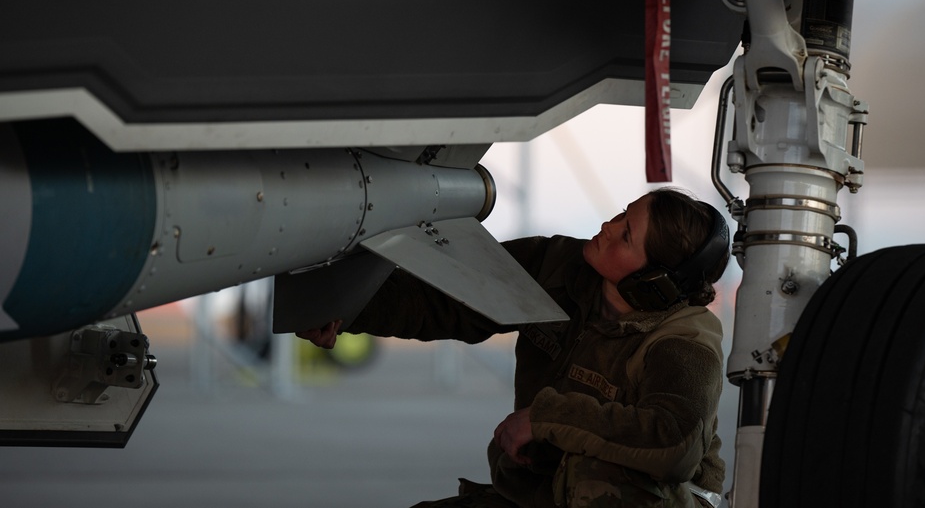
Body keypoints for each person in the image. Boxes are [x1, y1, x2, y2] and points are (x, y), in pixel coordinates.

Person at [299, 187, 730, 508]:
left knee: (604, 476)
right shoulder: (557, 268)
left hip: (646, 500)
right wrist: (347, 308)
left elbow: (675, 443)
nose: (608, 228)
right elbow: (447, 298)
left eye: (627, 237)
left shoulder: (684, 340)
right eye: (621, 215)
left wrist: (546, 419)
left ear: (653, 281)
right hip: (537, 494)